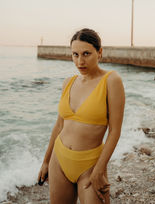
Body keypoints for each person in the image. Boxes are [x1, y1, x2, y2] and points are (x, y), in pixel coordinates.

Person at [38, 28, 125, 204]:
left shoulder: (111, 80)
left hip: (90, 165)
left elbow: (115, 131)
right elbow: (59, 126)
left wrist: (99, 170)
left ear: (99, 52)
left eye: (86, 54)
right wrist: (46, 161)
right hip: (59, 159)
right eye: (75, 55)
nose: (80, 61)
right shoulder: (68, 83)